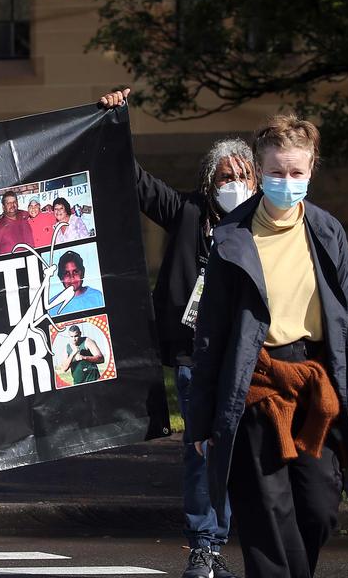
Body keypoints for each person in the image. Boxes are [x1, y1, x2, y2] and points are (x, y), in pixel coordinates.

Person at [188, 113, 348, 578]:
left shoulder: (326, 231)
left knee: (319, 509)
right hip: (253, 384)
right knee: (268, 517)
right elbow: (210, 337)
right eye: (276, 172)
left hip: (314, 385)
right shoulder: (232, 237)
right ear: (259, 171)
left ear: (311, 169)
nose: (286, 181)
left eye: (296, 172)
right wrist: (201, 421)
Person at [101, 87, 254, 578]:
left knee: (236, 454)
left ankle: (225, 540)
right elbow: (136, 183)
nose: (233, 184)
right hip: (194, 354)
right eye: (225, 177)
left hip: (248, 355)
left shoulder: (264, 225)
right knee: (200, 451)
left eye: (242, 176)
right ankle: (203, 546)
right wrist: (114, 122)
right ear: (209, 182)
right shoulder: (188, 213)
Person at [47, 250, 104, 317]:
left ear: (82, 273)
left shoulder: (97, 296)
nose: (72, 278)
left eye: (75, 272)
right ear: (61, 277)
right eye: (66, 273)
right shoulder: (52, 305)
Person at [0, 190, 33, 257]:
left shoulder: (25, 215)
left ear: (17, 203)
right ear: (3, 207)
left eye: (14, 202)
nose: (12, 205)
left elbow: (37, 214)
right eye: (8, 203)